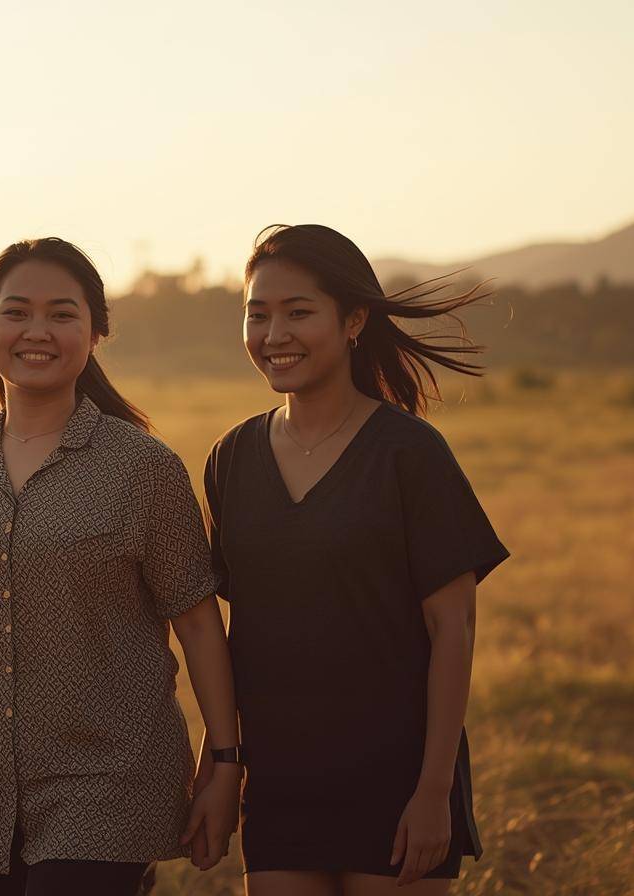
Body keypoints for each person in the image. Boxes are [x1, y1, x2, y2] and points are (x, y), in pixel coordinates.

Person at [0, 237, 241, 895]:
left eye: (62, 314)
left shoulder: (142, 468)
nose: (38, 331)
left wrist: (225, 764)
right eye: (17, 312)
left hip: (112, 781)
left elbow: (200, 626)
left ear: (95, 333)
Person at [201, 224, 509, 895]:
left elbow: (452, 630)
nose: (273, 334)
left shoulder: (410, 454)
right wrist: (222, 765)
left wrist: (434, 792)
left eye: (298, 312)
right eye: (257, 314)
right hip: (283, 782)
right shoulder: (232, 457)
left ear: (355, 321)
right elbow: (239, 632)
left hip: (397, 780)